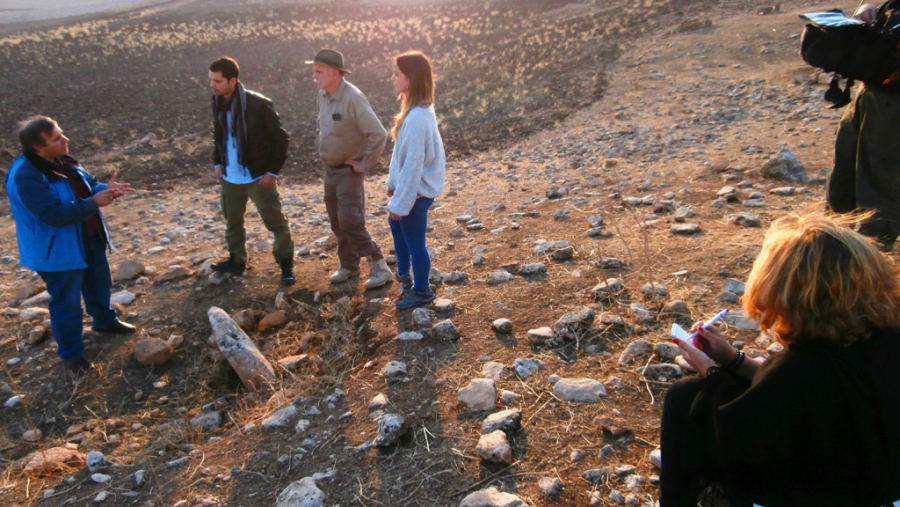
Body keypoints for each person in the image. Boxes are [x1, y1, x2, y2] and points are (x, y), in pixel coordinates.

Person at [660, 211, 900, 507]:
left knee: (683, 396)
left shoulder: (800, 369)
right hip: (881, 477)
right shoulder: (882, 338)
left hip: (833, 488)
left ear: (788, 294)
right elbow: (790, 394)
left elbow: (741, 430)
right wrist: (733, 360)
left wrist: (710, 372)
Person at [5, 116, 137, 376]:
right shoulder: (26, 175)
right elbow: (52, 215)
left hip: (88, 237)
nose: (65, 140)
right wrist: (93, 203)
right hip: (57, 250)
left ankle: (104, 322)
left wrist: (105, 189)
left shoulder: (63, 160)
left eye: (61, 134)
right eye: (57, 138)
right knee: (66, 303)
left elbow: (85, 187)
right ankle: (71, 355)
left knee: (99, 284)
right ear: (38, 147)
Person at [307, 48, 392, 290]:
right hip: (330, 170)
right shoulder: (323, 95)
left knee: (350, 220)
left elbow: (378, 134)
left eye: (318, 71)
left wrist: (364, 163)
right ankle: (349, 265)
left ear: (335, 73)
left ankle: (379, 265)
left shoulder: (353, 98)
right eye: (313, 71)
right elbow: (323, 127)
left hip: (349, 172)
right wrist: (323, 153)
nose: (314, 76)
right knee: (337, 221)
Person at [208, 57, 295, 285]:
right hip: (229, 176)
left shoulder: (258, 104)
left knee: (276, 223)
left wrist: (272, 172)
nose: (212, 85)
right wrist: (218, 162)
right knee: (232, 223)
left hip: (257, 176)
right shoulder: (217, 102)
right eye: (211, 80)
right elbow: (219, 135)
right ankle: (237, 262)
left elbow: (281, 139)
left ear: (233, 80)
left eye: (217, 81)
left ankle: (286, 265)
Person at [827, 1, 900, 250]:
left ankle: (868, 270)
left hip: (893, 103)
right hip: (870, 94)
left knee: (880, 188)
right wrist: (870, 11)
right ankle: (834, 255)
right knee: (844, 179)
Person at [385, 52, 445, 310]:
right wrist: (391, 182)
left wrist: (401, 203)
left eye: (397, 73)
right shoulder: (414, 112)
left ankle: (422, 290)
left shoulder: (418, 118)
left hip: (417, 194)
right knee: (397, 226)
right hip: (411, 190)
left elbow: (412, 166)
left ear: (410, 79)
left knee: (415, 241)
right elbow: (401, 156)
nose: (393, 78)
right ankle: (404, 274)